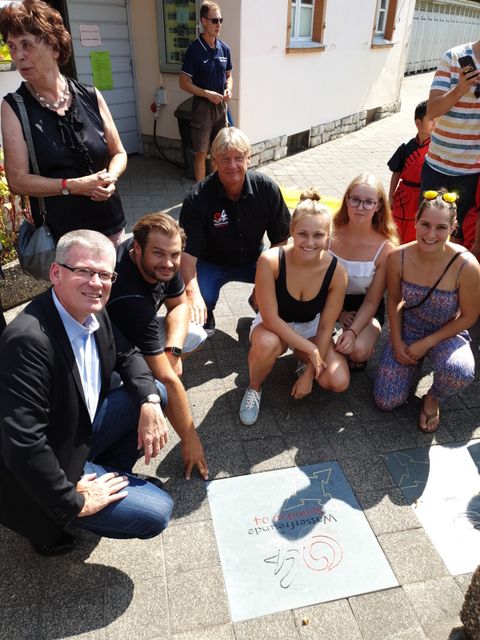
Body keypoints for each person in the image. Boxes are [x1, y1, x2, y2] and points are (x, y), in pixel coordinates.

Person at [0, 230, 175, 556]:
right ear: (56, 273)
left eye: (104, 274)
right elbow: (23, 445)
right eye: (83, 271)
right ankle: (53, 520)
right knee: (157, 513)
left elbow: (127, 355)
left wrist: (149, 402)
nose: (95, 282)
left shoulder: (92, 309)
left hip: (79, 428)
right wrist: (73, 500)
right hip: (51, 457)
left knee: (156, 394)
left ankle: (111, 472)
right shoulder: (27, 341)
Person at [0, 0, 127, 245]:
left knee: (118, 283)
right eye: (12, 47)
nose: (18, 56)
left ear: (54, 47)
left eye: (26, 44)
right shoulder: (14, 107)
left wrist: (110, 177)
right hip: (63, 239)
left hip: (111, 225)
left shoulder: (90, 95)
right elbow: (16, 181)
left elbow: (119, 152)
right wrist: (72, 186)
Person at [107, 212, 209, 480]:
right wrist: (190, 439)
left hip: (138, 332)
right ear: (137, 248)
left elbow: (179, 305)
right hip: (109, 356)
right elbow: (168, 377)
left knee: (196, 334)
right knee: (161, 390)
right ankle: (115, 461)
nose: (168, 263)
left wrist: (173, 352)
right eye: (159, 254)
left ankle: (156, 361)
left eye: (175, 254)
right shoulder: (130, 297)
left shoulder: (163, 263)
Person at [239, 190, 349, 426]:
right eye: (302, 234)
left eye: (318, 235)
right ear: (291, 231)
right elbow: (270, 319)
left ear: (328, 236)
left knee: (338, 381)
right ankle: (254, 388)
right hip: (275, 326)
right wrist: (312, 350)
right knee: (267, 344)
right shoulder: (270, 260)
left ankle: (302, 364)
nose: (310, 243)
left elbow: (326, 328)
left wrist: (310, 373)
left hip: (312, 328)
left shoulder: (337, 272)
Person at [374, 191, 480, 432]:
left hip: (446, 332)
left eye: (441, 227)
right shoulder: (397, 257)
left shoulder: (467, 265)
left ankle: (433, 398)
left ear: (454, 227)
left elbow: (469, 316)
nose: (431, 234)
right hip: (409, 329)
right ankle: (412, 367)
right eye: (425, 224)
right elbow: (394, 301)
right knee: (386, 401)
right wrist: (397, 340)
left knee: (460, 371)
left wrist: (428, 342)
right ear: (415, 221)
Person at [179, 127, 291, 336]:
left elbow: (280, 242)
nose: (232, 165)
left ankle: (260, 305)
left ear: (248, 158)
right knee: (201, 295)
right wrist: (192, 294)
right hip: (211, 262)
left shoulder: (266, 189)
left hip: (254, 260)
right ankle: (207, 311)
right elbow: (186, 255)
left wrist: (263, 285)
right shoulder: (197, 198)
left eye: (238, 158)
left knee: (288, 280)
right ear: (214, 161)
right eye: (225, 158)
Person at [330, 173, 398, 371]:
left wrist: (352, 331)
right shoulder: (328, 233)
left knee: (358, 351)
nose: (360, 207)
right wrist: (339, 313)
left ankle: (356, 348)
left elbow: (372, 300)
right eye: (356, 200)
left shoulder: (386, 248)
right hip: (327, 301)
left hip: (364, 307)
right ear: (347, 200)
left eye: (369, 202)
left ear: (378, 206)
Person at [421, 40, 480, 239]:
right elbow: (432, 111)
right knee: (428, 232)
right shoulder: (454, 57)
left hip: (471, 172)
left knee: (455, 236)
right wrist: (460, 89)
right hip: (436, 165)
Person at [179, 1, 232, 182]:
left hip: (221, 107)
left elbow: (229, 76)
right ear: (203, 21)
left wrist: (228, 89)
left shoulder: (225, 48)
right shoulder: (195, 50)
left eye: (220, 20)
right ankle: (201, 192)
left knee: (222, 151)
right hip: (202, 108)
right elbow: (184, 83)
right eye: (214, 20)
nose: (219, 25)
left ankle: (219, 187)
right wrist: (207, 94)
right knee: (201, 152)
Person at [388, 100, 436, 243]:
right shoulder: (407, 148)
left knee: (416, 230)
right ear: (418, 123)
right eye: (431, 119)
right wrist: (390, 196)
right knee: (395, 230)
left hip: (423, 196)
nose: (435, 123)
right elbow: (396, 172)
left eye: (436, 120)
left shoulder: (436, 149)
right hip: (403, 194)